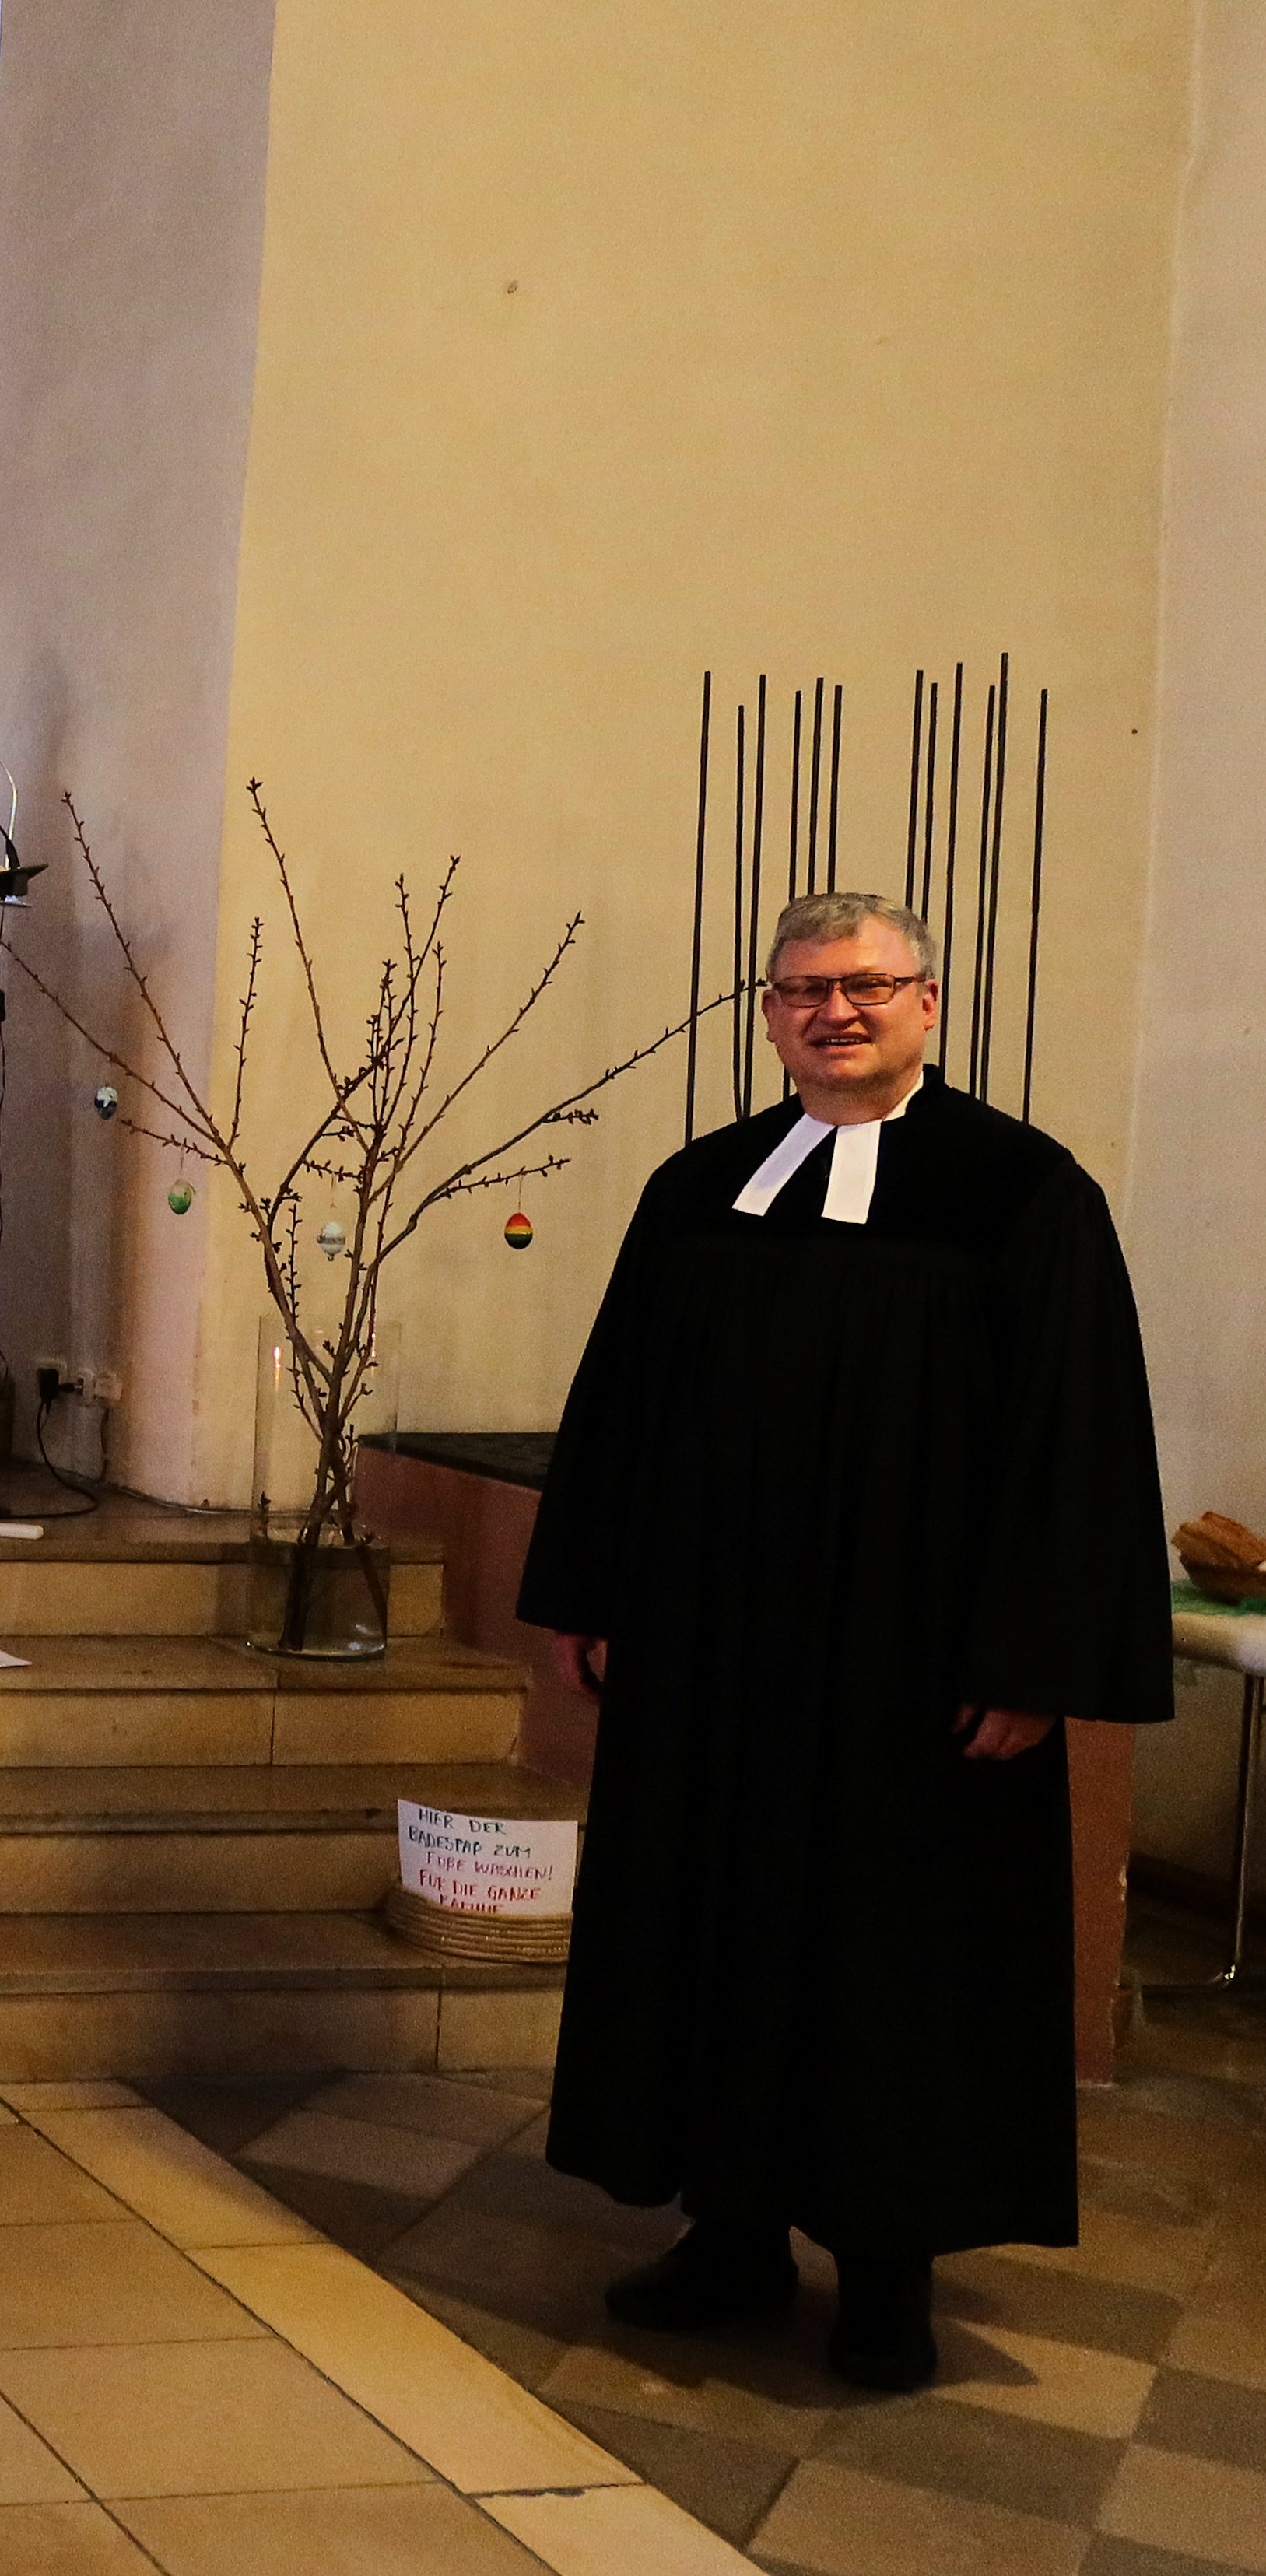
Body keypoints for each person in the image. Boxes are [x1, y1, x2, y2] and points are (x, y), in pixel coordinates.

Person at [521, 888, 1170, 2393]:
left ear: (928, 1003)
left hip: (912, 1670)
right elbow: (618, 1402)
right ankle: (728, 2230)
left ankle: (890, 2267)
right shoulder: (700, 1188)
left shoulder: (1022, 1194)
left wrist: (1029, 1659)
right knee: (716, 1917)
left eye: (870, 985)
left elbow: (1074, 1443)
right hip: (714, 1652)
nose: (839, 1010)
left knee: (897, 1950)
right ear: (771, 1013)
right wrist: (597, 1588)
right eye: (807, 989)